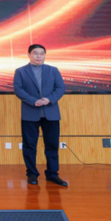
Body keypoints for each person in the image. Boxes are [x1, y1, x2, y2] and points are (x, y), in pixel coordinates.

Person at [13, 44, 68, 187]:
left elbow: (60, 87)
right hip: (30, 113)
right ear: (29, 55)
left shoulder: (53, 70)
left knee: (52, 145)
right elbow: (18, 89)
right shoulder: (20, 71)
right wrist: (33, 101)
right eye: (35, 53)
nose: (39, 56)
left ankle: (52, 174)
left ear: (45, 55)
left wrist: (49, 99)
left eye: (41, 53)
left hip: (51, 113)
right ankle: (32, 174)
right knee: (29, 145)